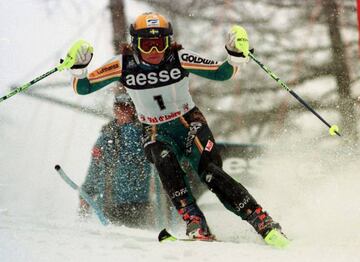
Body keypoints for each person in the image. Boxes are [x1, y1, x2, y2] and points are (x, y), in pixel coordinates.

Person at [65, 12, 288, 247]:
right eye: (147, 45)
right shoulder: (123, 64)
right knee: (164, 161)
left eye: (159, 44)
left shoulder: (178, 58)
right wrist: (78, 69)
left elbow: (222, 73)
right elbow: (84, 87)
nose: (154, 52)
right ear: (135, 44)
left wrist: (235, 56)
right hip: (154, 128)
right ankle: (195, 222)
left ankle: (261, 220)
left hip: (188, 122)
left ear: (168, 42)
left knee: (210, 173)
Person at [79, 93, 153, 228]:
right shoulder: (107, 135)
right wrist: (87, 193)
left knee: (136, 239)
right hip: (111, 200)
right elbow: (95, 167)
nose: (123, 111)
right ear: (115, 110)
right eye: (120, 107)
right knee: (113, 241)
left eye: (127, 107)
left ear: (133, 109)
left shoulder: (145, 132)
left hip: (137, 201)